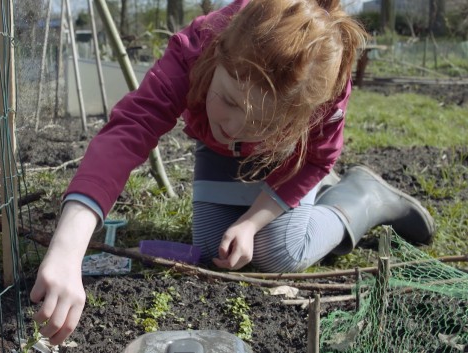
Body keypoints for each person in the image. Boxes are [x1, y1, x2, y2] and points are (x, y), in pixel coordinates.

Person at [30, 0, 435, 344]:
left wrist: (255, 221)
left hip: (285, 158)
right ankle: (294, 187)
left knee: (280, 252)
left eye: (258, 120)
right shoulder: (197, 48)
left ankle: (361, 197)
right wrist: (68, 249)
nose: (236, 125)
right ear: (217, 55)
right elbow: (129, 130)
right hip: (220, 150)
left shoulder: (322, 91)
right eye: (227, 99)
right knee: (212, 248)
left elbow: (316, 159)